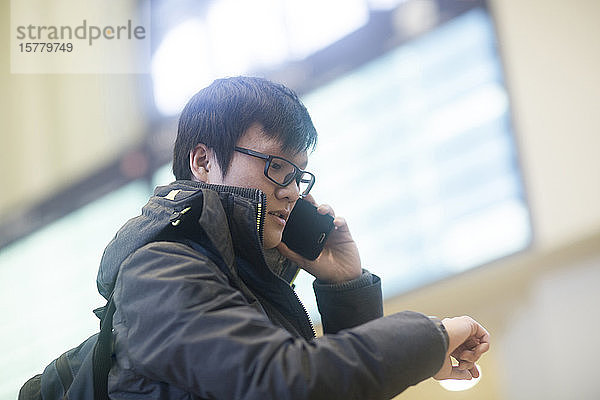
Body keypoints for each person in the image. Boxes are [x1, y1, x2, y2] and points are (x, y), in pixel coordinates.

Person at [97, 76, 490, 399]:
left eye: (297, 175)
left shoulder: (244, 284)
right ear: (203, 162)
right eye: (277, 167)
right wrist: (430, 338)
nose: (291, 192)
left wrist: (345, 287)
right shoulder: (160, 268)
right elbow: (284, 384)